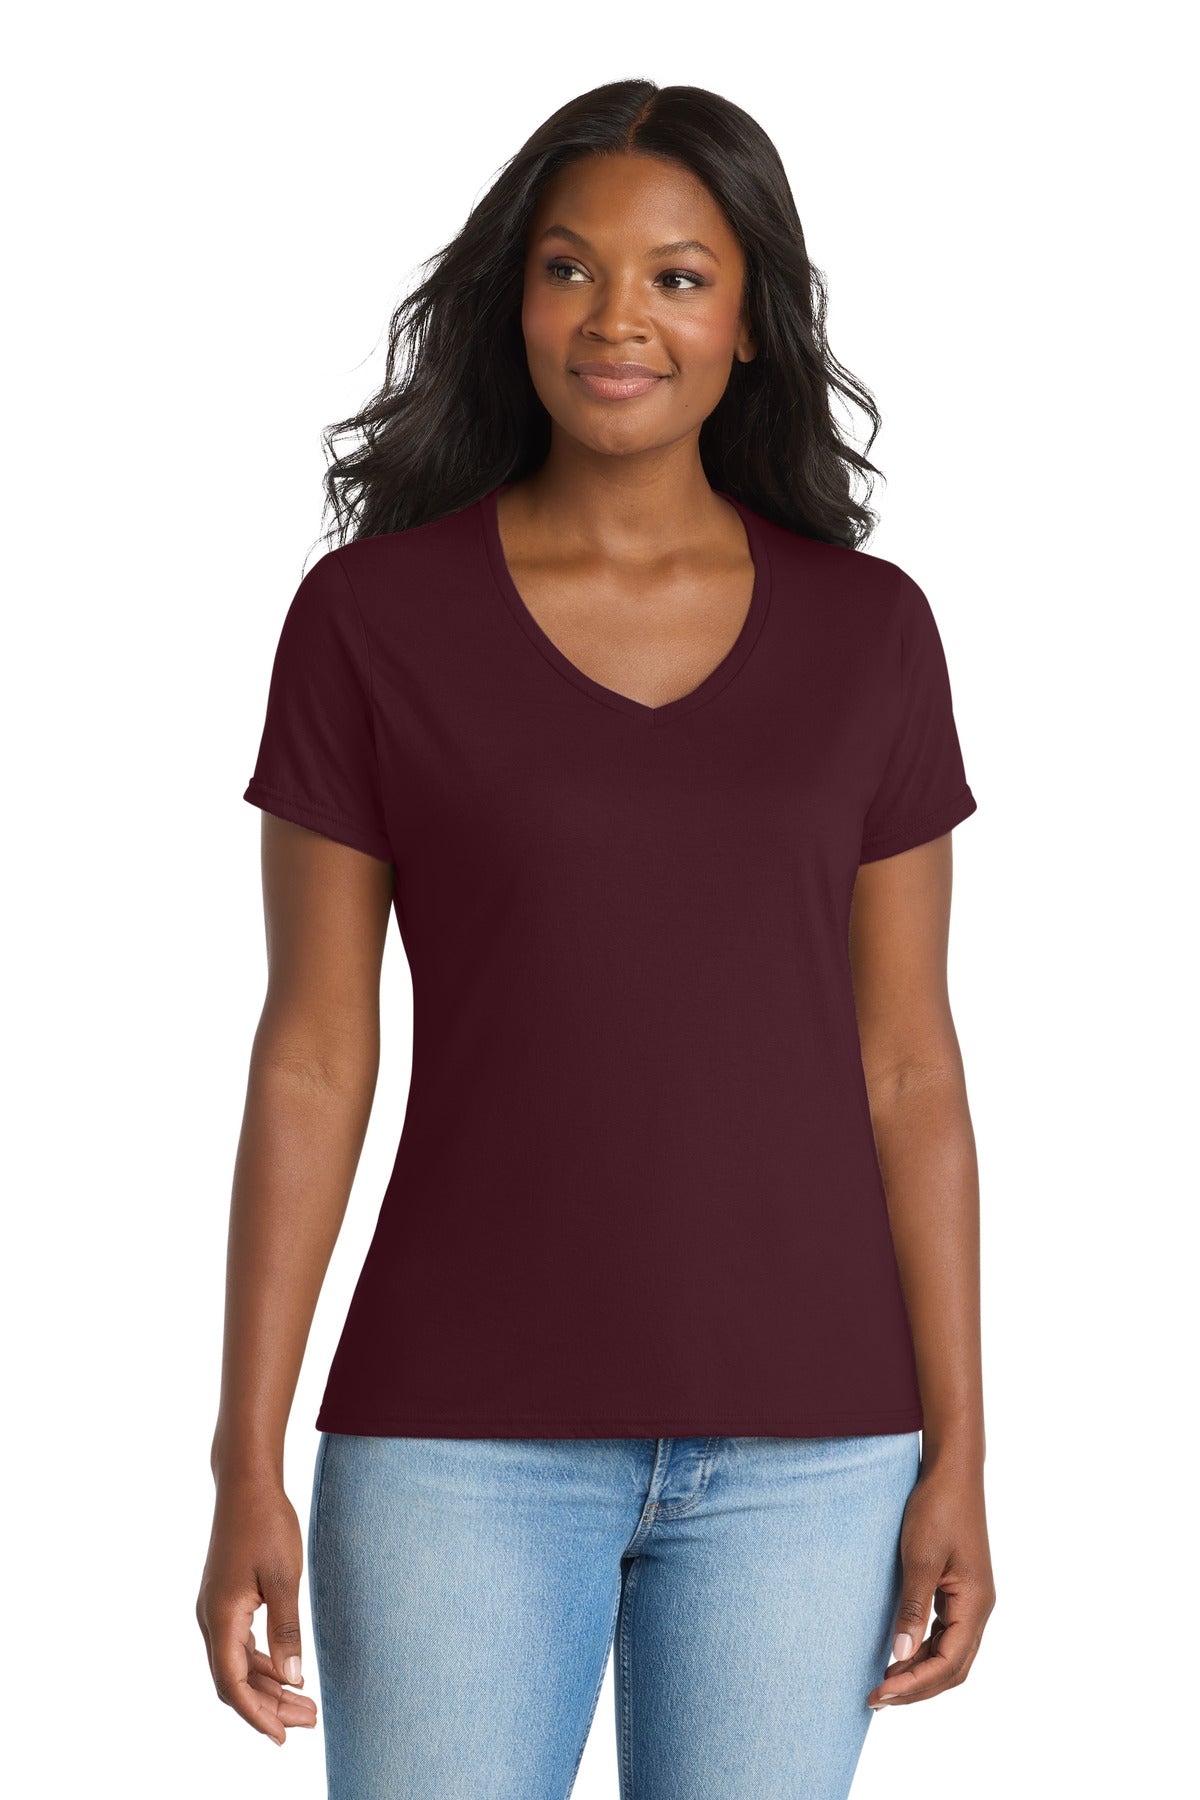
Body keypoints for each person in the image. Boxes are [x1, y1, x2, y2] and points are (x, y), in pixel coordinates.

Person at [196, 78, 995, 1800]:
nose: (618, 317)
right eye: (570, 270)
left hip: (814, 1453)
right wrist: (241, 1457)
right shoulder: (369, 622)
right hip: (453, 1445)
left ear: (752, 323)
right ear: (515, 301)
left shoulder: (872, 634)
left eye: (678, 277)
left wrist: (963, 1452)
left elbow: (909, 1066)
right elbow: (314, 1051)